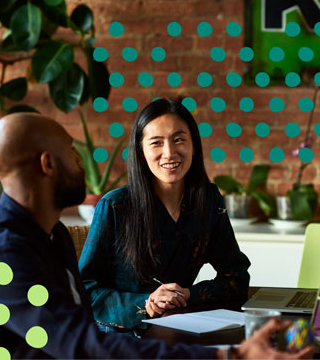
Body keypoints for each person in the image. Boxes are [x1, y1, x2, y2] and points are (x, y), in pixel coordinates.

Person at [0, 113, 312, 360]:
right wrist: (229, 356)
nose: (81, 161)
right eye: (72, 151)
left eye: (179, 140)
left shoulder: (50, 236)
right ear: (48, 164)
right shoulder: (1, 257)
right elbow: (81, 345)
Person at [79, 98, 251, 333]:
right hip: (121, 337)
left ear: (194, 146)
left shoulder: (208, 200)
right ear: (141, 151)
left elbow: (236, 276)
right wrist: (147, 303)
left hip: (182, 331)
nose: (169, 153)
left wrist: (187, 294)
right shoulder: (115, 206)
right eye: (156, 143)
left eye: (178, 140)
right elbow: (85, 290)